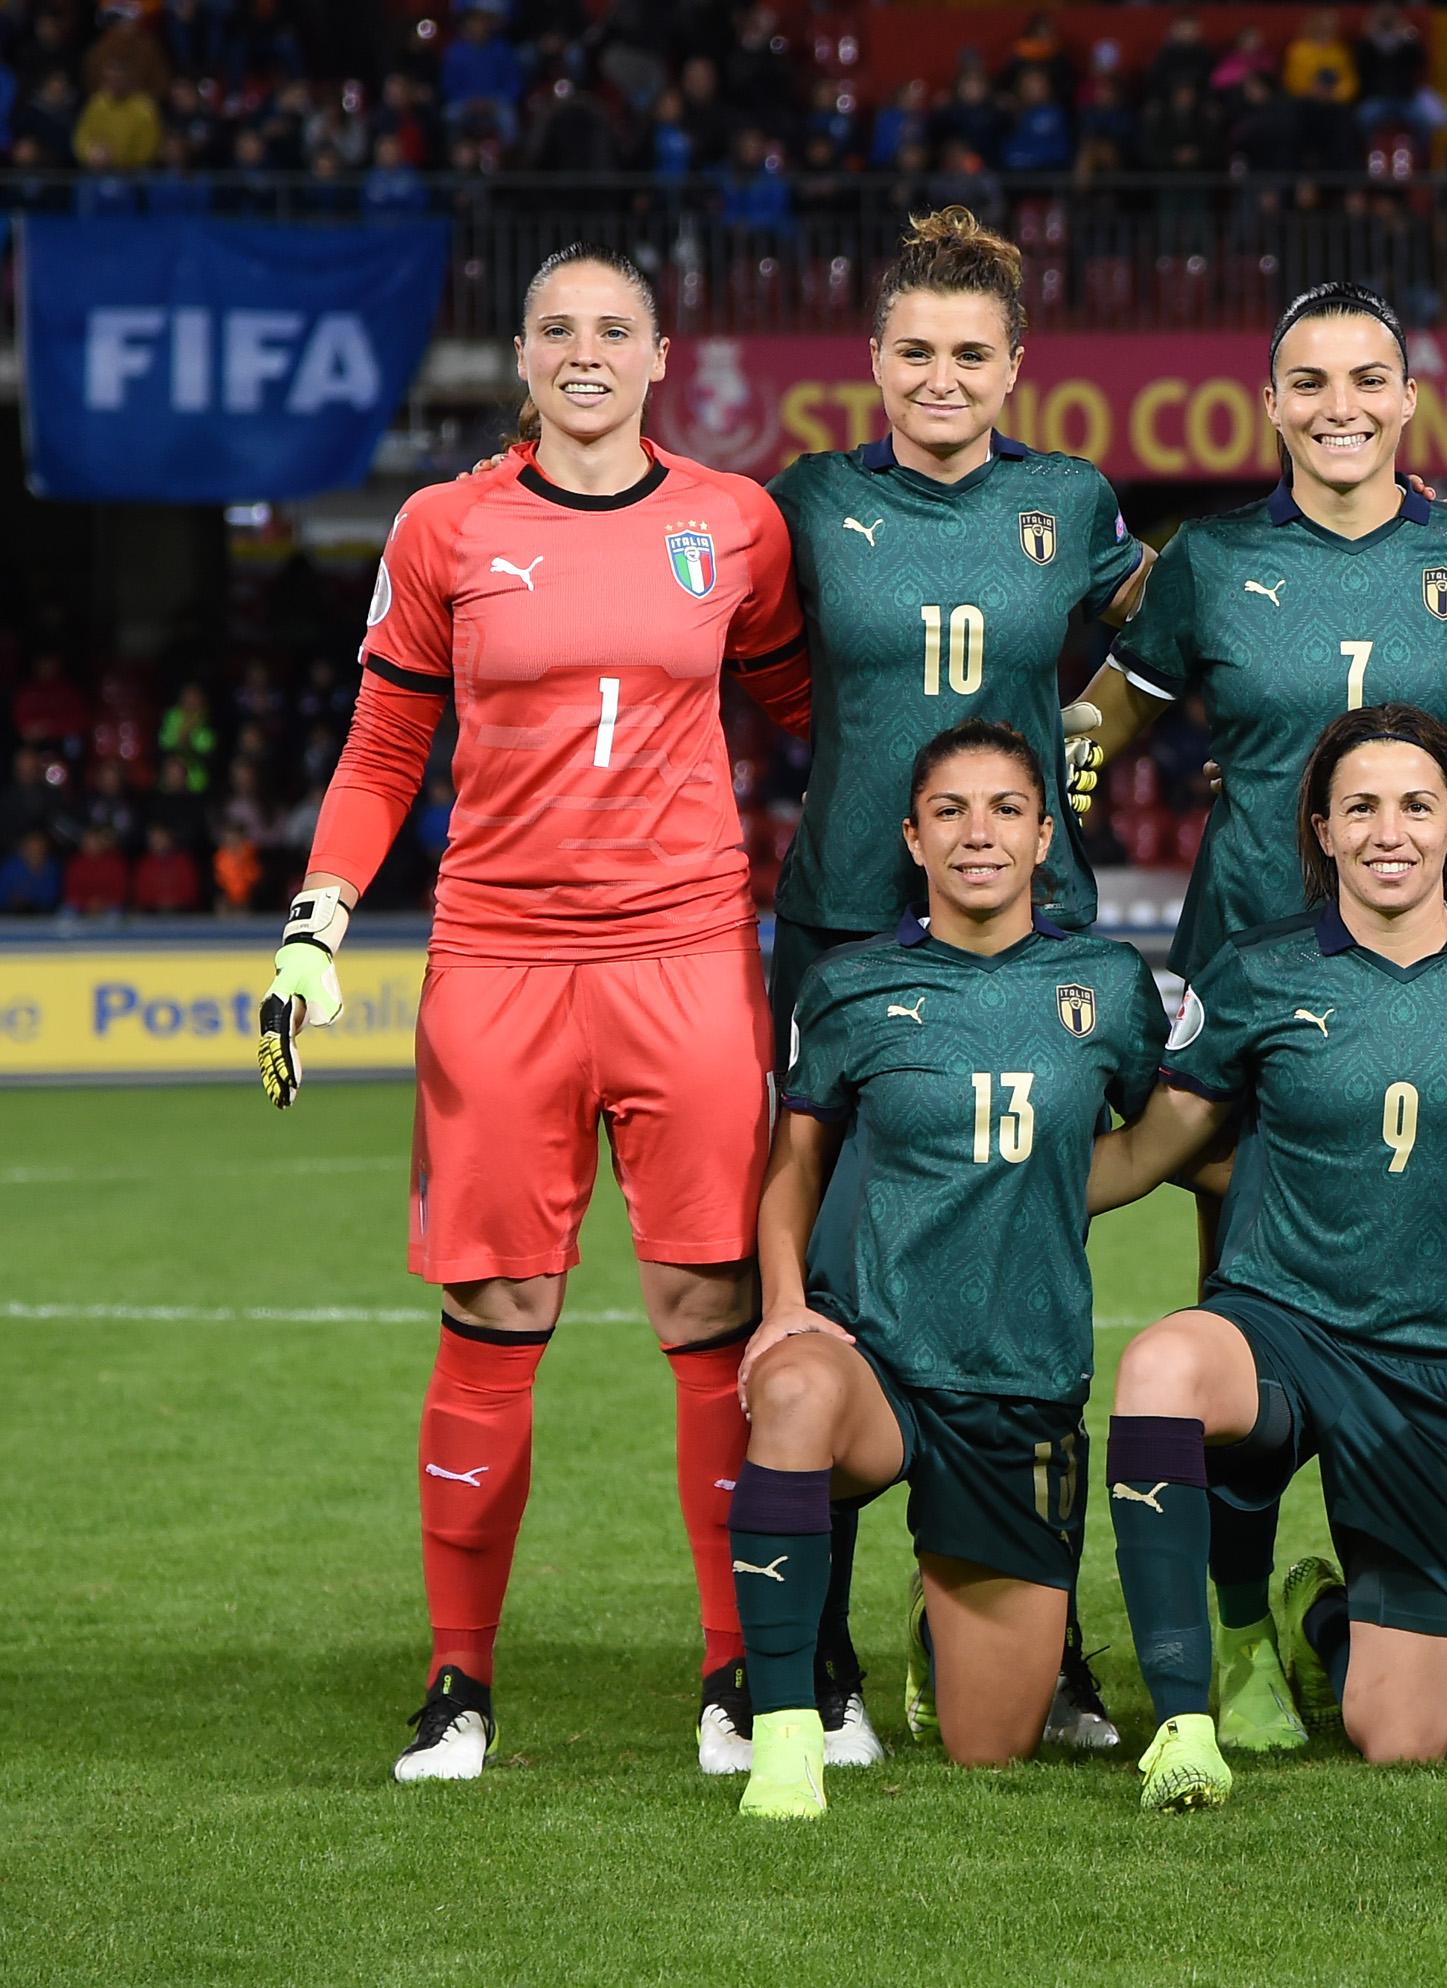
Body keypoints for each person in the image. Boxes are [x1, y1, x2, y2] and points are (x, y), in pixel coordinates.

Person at [255, 243, 814, 1784]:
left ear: (659, 357)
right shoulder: (447, 528)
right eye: (557, 330)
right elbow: (381, 754)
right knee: (499, 1315)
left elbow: (818, 712)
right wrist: (316, 927)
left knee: (710, 1312)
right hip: (497, 967)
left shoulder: (736, 524)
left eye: (612, 330)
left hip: (689, 957)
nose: (585, 352)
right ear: (519, 357)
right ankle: (459, 1683)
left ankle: (736, 1673)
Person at [1067, 284, 1447, 1755]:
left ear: (1410, 401)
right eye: (1309, 381)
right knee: (1247, 1321)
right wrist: (1034, 816)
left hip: (1431, 987)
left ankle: (1411, 1598)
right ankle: (1235, 1634)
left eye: (1369, 379)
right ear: (1269, 404)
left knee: (1446, 1288)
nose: (1341, 405)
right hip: (1254, 986)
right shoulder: (1210, 563)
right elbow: (1100, 723)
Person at [761, 204, 1156, 1761]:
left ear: (1014, 368)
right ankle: (827, 1658)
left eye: (970, 354)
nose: (942, 377)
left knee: (1018, 1250)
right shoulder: (806, 503)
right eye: (914, 351)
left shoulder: (1071, 501)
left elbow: (1160, 631)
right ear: (874, 362)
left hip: (1027, 927)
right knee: (841, 1288)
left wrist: (1090, 733)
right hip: (845, 934)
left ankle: (1015, 1617)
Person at [1081, 706, 1447, 1811]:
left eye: (1415, 804)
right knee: (1163, 1367)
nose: (1388, 830)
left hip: (1440, 1360)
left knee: (1401, 1739)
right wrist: (986, 1188)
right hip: (1282, 1324)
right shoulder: (1257, 971)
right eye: (1359, 806)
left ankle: (1323, 1611)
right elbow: (1151, 1149)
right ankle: (1183, 1721)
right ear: (1319, 828)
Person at [726, 721, 1166, 1819]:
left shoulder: (1108, 984)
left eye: (1008, 809)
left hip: (1019, 1378)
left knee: (989, 1750)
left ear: (1044, 835)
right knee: (790, 1391)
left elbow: (1163, 1136)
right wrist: (784, 1306)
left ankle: (945, 1620)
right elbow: (794, 1166)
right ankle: (784, 1734)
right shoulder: (849, 986)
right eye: (953, 812)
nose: (980, 834)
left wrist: (1050, 1184)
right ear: (913, 838)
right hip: (876, 1356)